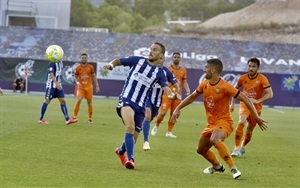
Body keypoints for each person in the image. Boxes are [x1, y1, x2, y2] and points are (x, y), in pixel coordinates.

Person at [171, 58, 268, 179]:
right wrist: (178, 108)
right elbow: (192, 97)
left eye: (206, 67)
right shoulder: (204, 84)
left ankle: (233, 169)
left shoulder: (225, 86)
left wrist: (256, 117)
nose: (204, 70)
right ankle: (217, 166)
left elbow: (246, 99)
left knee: (215, 139)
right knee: (200, 150)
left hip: (225, 122)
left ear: (212, 70)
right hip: (211, 124)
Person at [103, 42, 174, 169]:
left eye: (155, 50)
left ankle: (120, 151)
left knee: (133, 138)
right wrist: (111, 65)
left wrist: (170, 95)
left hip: (140, 106)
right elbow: (118, 61)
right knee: (129, 127)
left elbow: (166, 88)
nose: (151, 51)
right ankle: (131, 159)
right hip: (127, 99)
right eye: (151, 49)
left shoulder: (159, 72)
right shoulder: (137, 60)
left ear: (161, 55)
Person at [230, 57, 273, 157]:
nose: (251, 68)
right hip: (244, 104)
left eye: (253, 67)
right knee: (241, 121)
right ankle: (236, 148)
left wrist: (258, 101)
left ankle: (243, 146)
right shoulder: (242, 78)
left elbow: (270, 94)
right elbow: (234, 91)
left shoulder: (262, 79)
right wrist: (232, 104)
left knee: (249, 130)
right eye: (249, 66)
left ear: (258, 68)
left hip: (256, 107)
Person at [142, 56, 179, 151]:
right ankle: (146, 142)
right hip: (146, 97)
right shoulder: (148, 69)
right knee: (147, 116)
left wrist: (175, 93)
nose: (158, 60)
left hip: (157, 101)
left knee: (144, 122)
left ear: (163, 60)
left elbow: (176, 84)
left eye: (161, 59)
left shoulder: (167, 72)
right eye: (157, 58)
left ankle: (122, 148)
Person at [151, 52, 190, 138]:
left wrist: (187, 89)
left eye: (178, 57)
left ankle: (169, 132)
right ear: (172, 58)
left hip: (178, 96)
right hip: (168, 94)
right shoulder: (167, 69)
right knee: (163, 113)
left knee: (174, 114)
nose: (176, 58)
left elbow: (184, 81)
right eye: (175, 57)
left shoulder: (183, 70)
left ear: (180, 59)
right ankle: (156, 125)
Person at [38, 60, 78, 125]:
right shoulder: (52, 63)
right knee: (47, 101)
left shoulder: (61, 62)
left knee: (62, 100)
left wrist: (58, 83)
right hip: (51, 86)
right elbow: (51, 74)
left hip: (58, 85)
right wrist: (56, 83)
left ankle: (67, 119)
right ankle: (41, 119)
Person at [73, 53, 100, 124]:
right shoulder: (78, 68)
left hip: (89, 87)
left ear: (86, 59)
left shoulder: (90, 67)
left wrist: (97, 86)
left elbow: (94, 76)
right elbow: (75, 77)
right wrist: (77, 82)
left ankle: (90, 118)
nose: (83, 59)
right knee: (78, 100)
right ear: (80, 59)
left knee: (89, 102)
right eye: (82, 58)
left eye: (85, 58)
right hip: (81, 87)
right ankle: (75, 117)